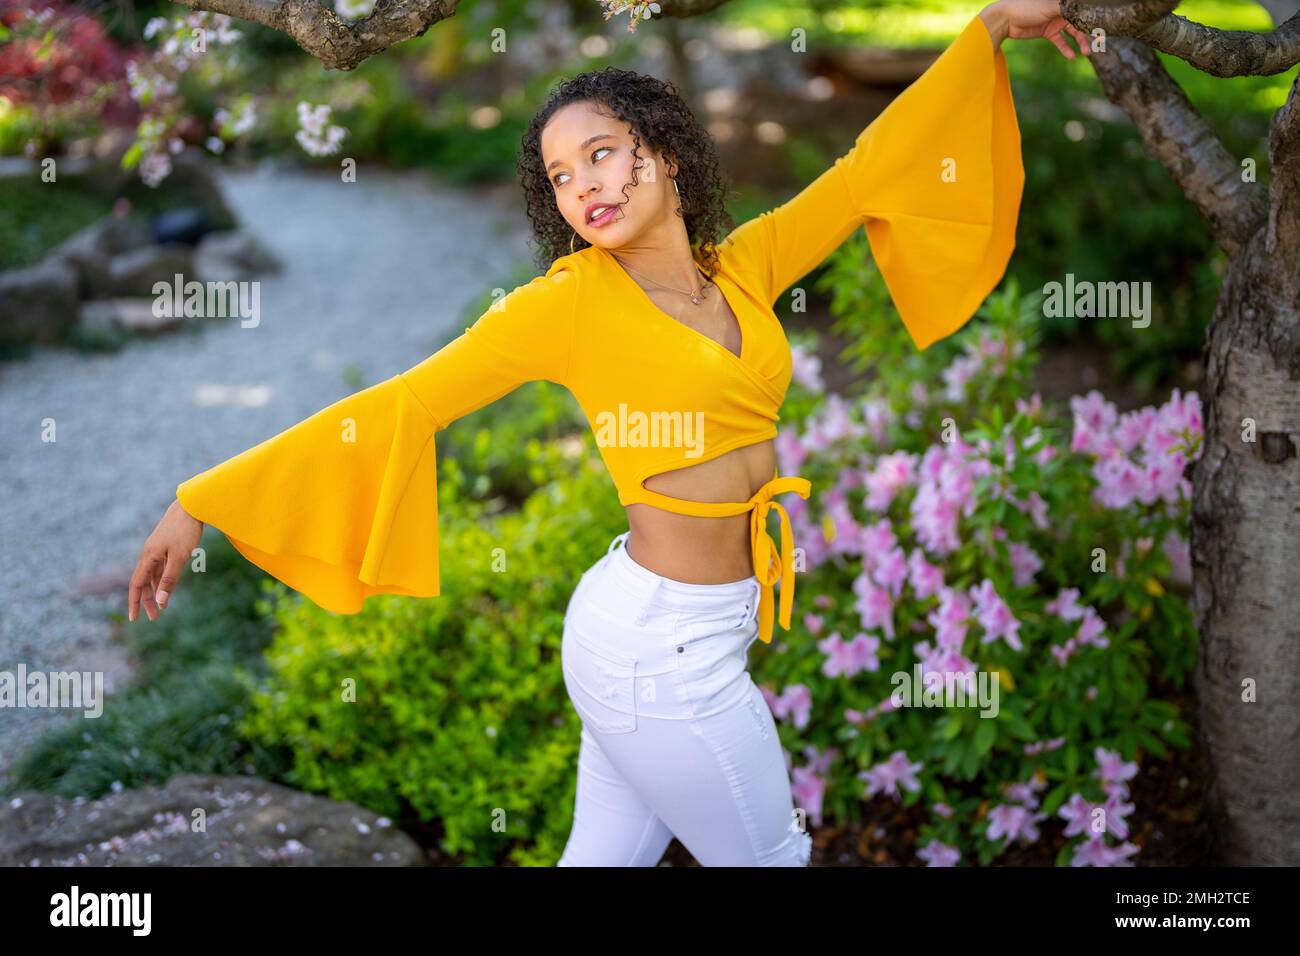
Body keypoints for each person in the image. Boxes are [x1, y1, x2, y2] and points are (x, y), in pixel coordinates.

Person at [128, 0, 1088, 866]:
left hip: (676, 633)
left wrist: (991, 26)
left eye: (601, 152)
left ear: (662, 153)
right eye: (557, 175)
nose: (581, 185)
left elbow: (863, 172)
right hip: (655, 649)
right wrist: (200, 500)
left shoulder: (742, 265)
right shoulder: (565, 305)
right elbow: (402, 402)